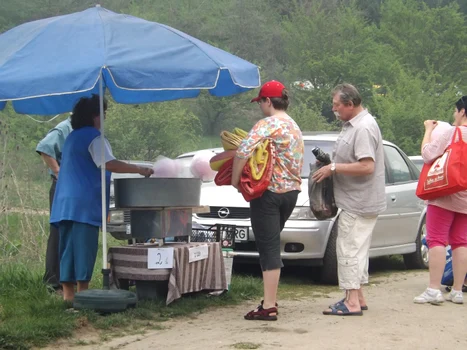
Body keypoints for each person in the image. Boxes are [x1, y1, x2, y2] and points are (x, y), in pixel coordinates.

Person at [50, 94, 154, 302]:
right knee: (83, 248)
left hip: (64, 203)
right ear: (94, 116)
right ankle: (83, 295)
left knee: (67, 249)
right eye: (103, 114)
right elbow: (109, 163)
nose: (104, 118)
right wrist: (140, 169)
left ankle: (68, 297)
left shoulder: (72, 137)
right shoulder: (95, 138)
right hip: (84, 204)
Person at [232, 80, 304, 321]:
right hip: (291, 193)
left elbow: (243, 151)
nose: (260, 107)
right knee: (272, 243)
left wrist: (235, 180)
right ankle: (269, 299)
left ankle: (269, 305)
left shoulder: (268, 124)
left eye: (260, 102)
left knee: (269, 248)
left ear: (267, 101)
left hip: (269, 194)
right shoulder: (294, 125)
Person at [313, 83, 386, 316]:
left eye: (337, 106)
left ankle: (351, 302)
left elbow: (367, 166)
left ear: (350, 104)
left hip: (358, 201)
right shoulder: (353, 125)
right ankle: (358, 296)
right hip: (358, 200)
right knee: (358, 250)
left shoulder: (363, 127)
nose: (334, 110)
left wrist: (333, 168)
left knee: (348, 250)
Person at [414, 95, 467, 305]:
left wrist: (428, 129)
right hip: (465, 198)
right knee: (461, 242)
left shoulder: (451, 133)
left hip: (444, 193)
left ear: (462, 111)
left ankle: (433, 289)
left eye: (456, 111)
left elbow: (427, 154)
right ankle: (457, 291)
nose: (454, 115)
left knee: (436, 239)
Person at [36, 115, 73, 292]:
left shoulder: (81, 131)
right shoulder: (65, 128)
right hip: (61, 186)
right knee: (58, 230)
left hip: (73, 188)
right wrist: (58, 172)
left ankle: (67, 280)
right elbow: (45, 148)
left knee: (71, 231)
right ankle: (53, 281)